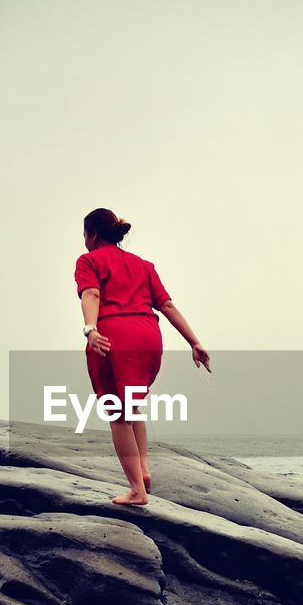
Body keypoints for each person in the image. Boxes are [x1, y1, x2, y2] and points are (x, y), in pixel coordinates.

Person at [75, 207, 210, 505]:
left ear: (93, 234)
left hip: (115, 337)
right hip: (149, 336)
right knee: (132, 404)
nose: (84, 240)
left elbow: (92, 295)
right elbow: (168, 306)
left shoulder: (88, 260)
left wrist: (90, 329)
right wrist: (194, 342)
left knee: (116, 412)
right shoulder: (143, 265)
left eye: (84, 234)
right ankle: (144, 469)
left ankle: (137, 490)